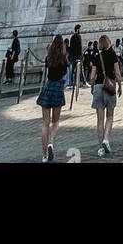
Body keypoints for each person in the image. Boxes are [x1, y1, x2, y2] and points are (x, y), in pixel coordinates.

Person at [36, 34, 68, 163]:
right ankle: (51, 143)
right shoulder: (64, 59)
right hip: (58, 88)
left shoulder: (48, 57)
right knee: (55, 122)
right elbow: (65, 73)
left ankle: (44, 155)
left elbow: (46, 74)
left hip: (48, 86)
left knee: (45, 122)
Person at [89, 34, 121, 158]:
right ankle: (106, 139)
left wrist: (92, 87)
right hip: (110, 86)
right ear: (108, 43)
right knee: (110, 116)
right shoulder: (112, 55)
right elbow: (117, 73)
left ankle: (101, 148)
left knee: (99, 120)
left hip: (98, 87)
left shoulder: (97, 56)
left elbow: (92, 76)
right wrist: (120, 85)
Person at [67, 25, 83, 90]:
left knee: (73, 69)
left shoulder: (72, 37)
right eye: (80, 29)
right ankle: (78, 81)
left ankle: (72, 82)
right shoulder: (78, 36)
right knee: (78, 69)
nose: (80, 31)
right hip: (77, 56)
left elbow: (71, 47)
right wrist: (81, 55)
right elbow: (80, 46)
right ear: (77, 29)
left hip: (73, 56)